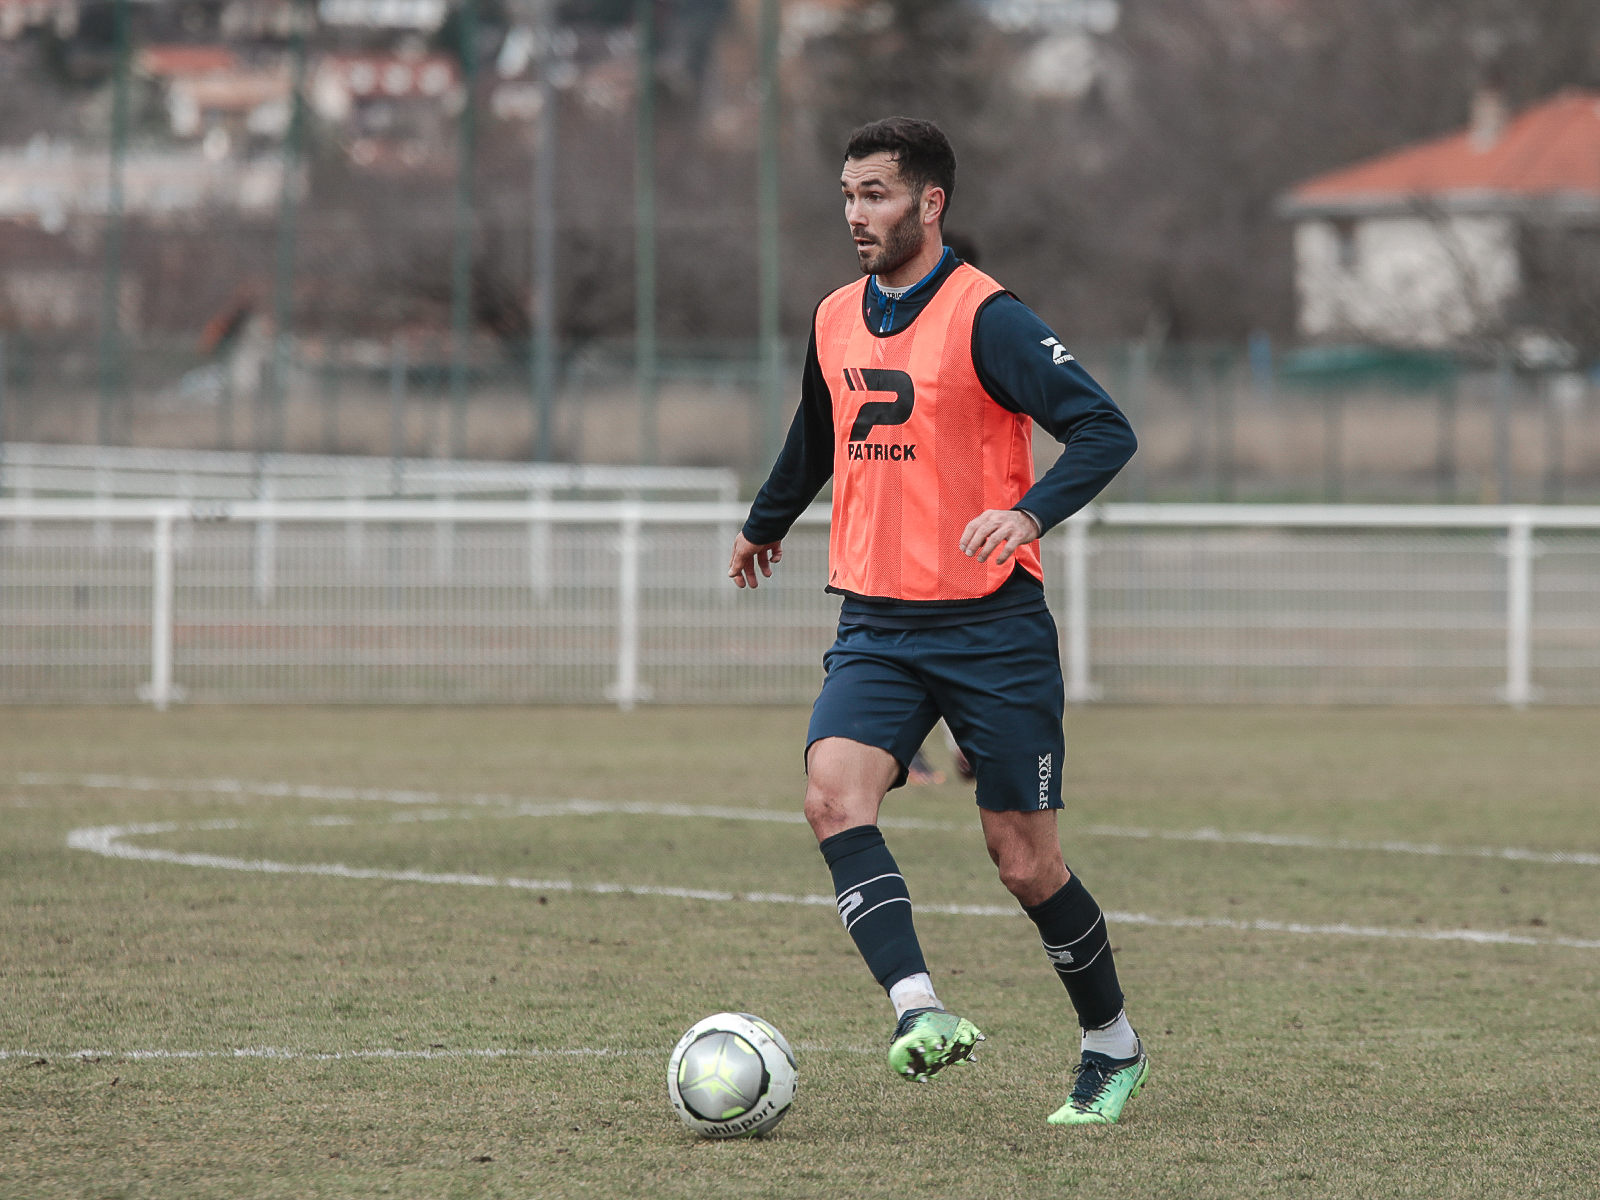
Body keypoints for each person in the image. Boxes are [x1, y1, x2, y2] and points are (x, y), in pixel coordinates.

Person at [727, 117, 1144, 1126]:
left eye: (874, 194)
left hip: (989, 627)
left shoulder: (985, 316)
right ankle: (918, 1010)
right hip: (875, 619)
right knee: (833, 796)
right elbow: (819, 428)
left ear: (930, 203)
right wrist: (764, 522)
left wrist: (1028, 509)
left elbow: (1104, 427)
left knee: (1022, 860)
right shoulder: (833, 315)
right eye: (846, 194)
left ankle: (1110, 1043)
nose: (855, 214)